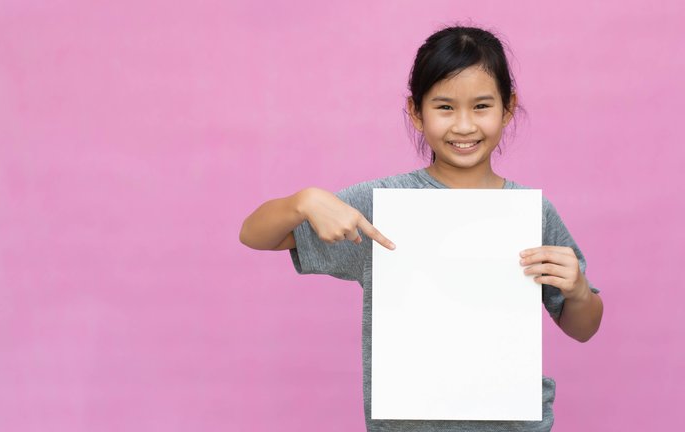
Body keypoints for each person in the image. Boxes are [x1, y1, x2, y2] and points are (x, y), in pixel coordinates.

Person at [239, 25, 603, 432]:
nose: (464, 126)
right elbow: (254, 235)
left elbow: (583, 327)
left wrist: (578, 290)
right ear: (416, 111)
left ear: (508, 108)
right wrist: (301, 201)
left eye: (481, 106)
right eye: (445, 107)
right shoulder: (383, 204)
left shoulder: (531, 212)